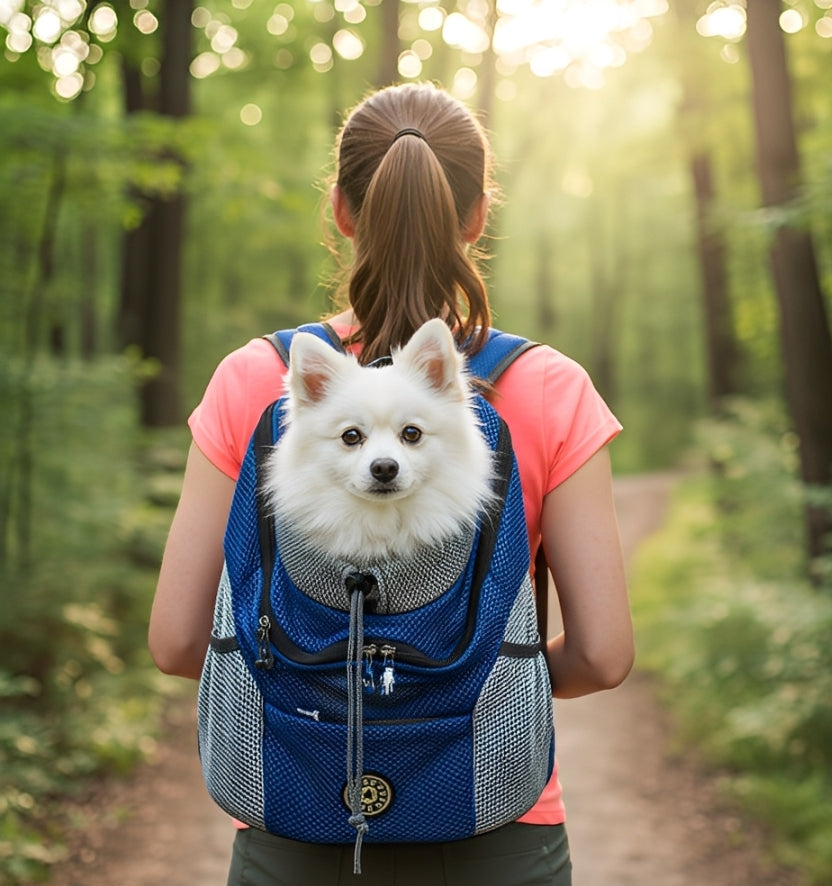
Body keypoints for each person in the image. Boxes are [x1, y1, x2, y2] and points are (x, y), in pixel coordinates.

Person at [149, 81, 634, 886]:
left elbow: (174, 642)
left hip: (294, 813)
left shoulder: (260, 380)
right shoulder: (548, 387)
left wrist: (316, 691)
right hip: (494, 819)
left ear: (341, 210)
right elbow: (604, 654)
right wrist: (473, 686)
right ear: (478, 216)